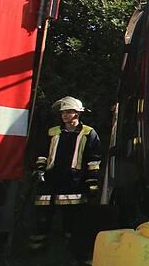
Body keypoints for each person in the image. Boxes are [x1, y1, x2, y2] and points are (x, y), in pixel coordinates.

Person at [29, 96, 102, 250]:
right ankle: (36, 249)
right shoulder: (52, 132)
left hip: (74, 182)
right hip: (50, 180)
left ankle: (70, 249)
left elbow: (93, 160)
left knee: (72, 218)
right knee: (42, 216)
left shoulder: (89, 133)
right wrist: (40, 171)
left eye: (68, 112)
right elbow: (42, 153)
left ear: (77, 113)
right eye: (63, 112)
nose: (64, 115)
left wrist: (92, 183)